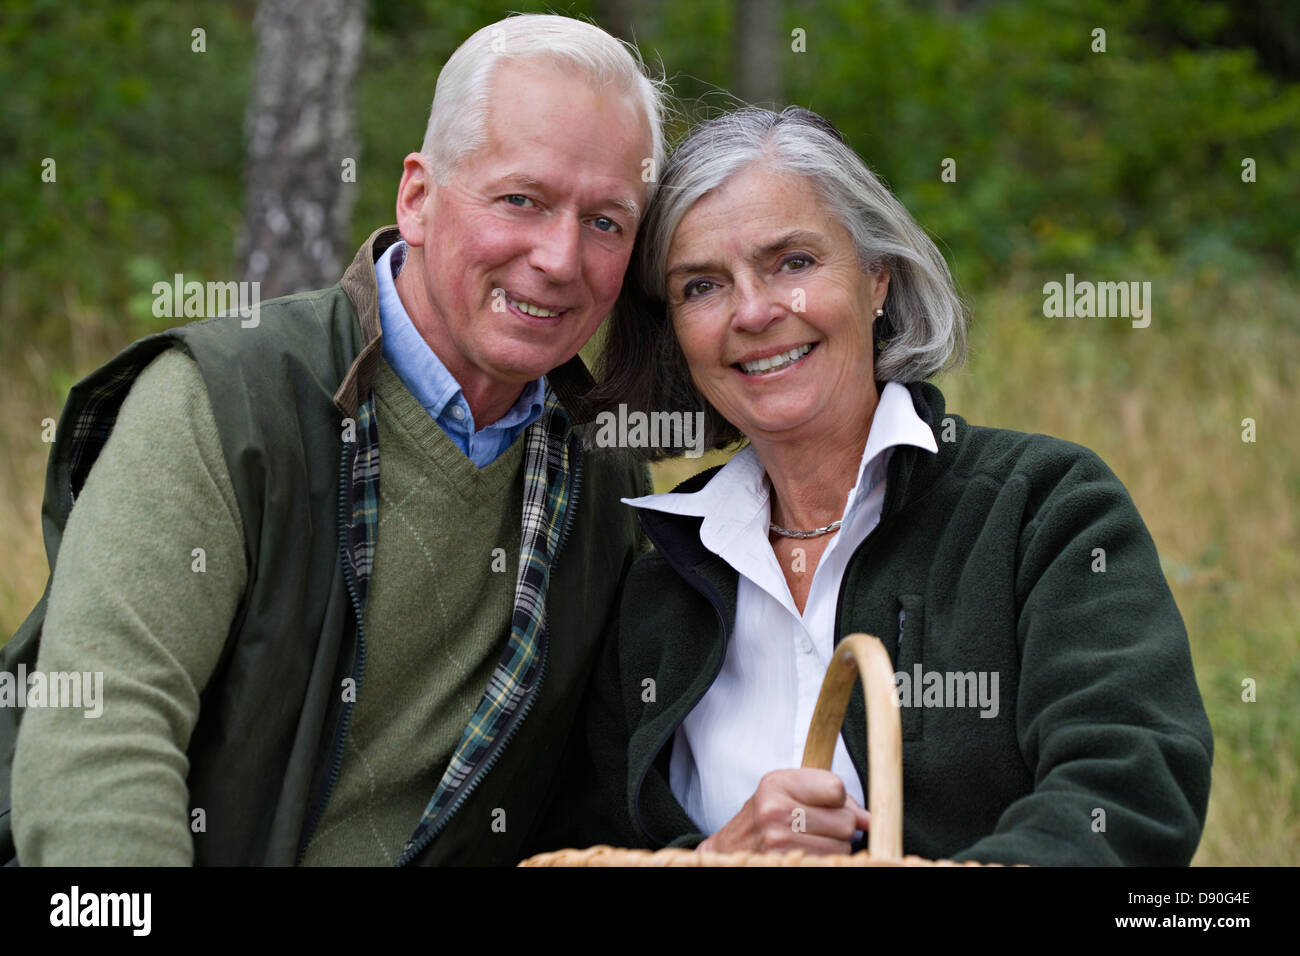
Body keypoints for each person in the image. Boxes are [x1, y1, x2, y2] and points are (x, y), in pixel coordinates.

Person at [0, 13, 666, 866]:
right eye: (521, 200)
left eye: (606, 222)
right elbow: (100, 736)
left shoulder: (603, 478)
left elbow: (596, 801)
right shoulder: (225, 404)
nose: (560, 257)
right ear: (418, 197)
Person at [572, 106, 1213, 865]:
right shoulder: (659, 575)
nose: (753, 311)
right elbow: (593, 840)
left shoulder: (1042, 507)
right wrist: (720, 855)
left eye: (793, 262)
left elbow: (1133, 784)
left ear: (878, 277)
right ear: (676, 330)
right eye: (702, 286)